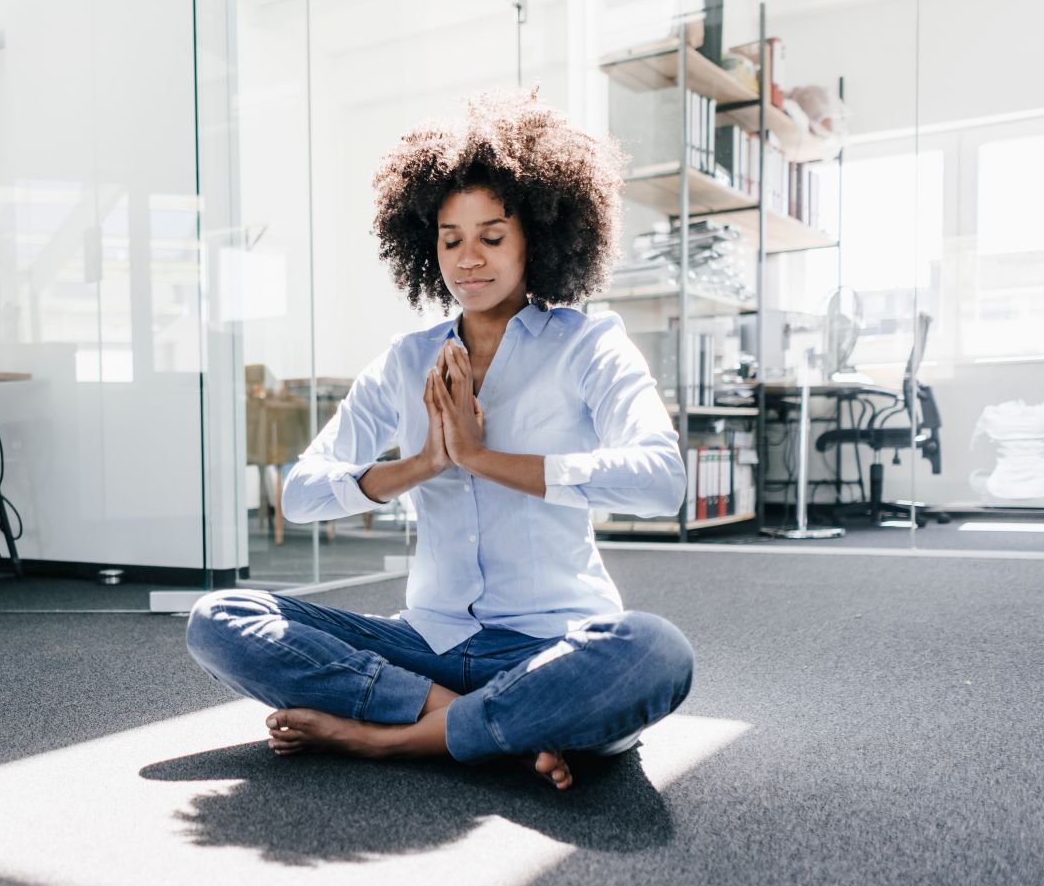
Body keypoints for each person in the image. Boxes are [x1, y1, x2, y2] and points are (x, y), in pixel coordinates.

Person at [186, 89, 694, 790]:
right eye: (449, 239)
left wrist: (485, 459)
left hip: (553, 643)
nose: (468, 259)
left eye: (491, 236)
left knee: (653, 651)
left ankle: (389, 738)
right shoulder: (404, 359)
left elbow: (660, 481)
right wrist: (424, 463)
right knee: (219, 617)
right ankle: (488, 728)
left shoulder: (588, 345)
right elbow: (300, 495)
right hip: (423, 643)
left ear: (536, 240)